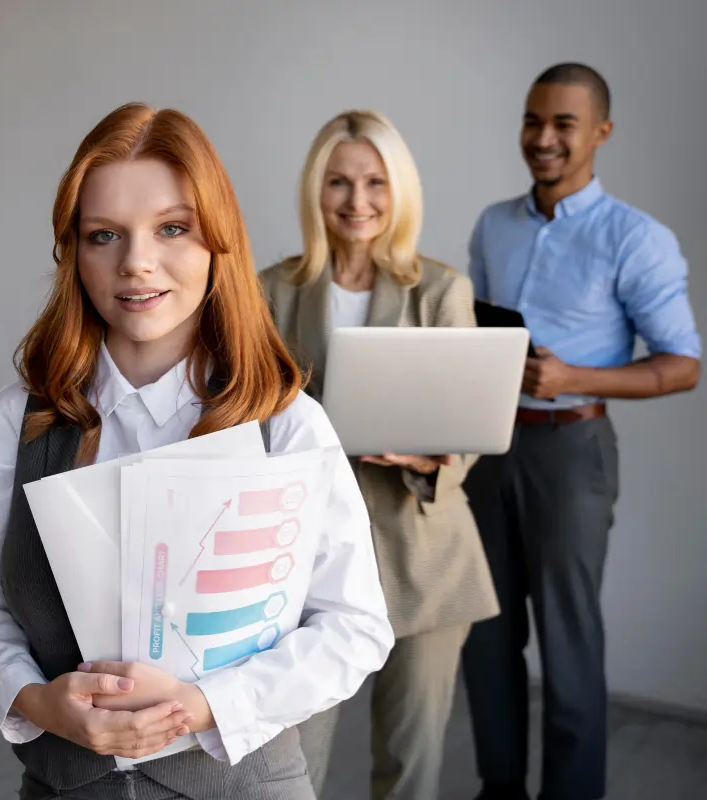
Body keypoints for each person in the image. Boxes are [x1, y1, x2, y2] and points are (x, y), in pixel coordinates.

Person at [0, 102, 394, 800]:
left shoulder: (287, 423)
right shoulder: (19, 420)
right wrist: (32, 698)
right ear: (73, 253)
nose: (136, 264)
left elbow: (355, 627)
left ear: (218, 241)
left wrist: (202, 706)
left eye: (172, 228)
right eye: (104, 235)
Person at [460, 63, 702, 800]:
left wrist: (576, 379)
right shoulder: (493, 224)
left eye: (563, 124)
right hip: (487, 447)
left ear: (600, 132)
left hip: (572, 450)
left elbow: (682, 365)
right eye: (533, 120)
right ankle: (499, 787)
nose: (542, 138)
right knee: (486, 635)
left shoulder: (637, 238)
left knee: (568, 643)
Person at [260, 110, 501, 799]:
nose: (357, 201)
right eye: (338, 181)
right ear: (316, 189)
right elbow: (240, 413)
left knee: (408, 766)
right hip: (302, 561)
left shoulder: (441, 289)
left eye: (374, 182)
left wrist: (430, 458)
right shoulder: (270, 289)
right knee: (289, 767)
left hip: (420, 554)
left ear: (400, 190)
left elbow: (470, 428)